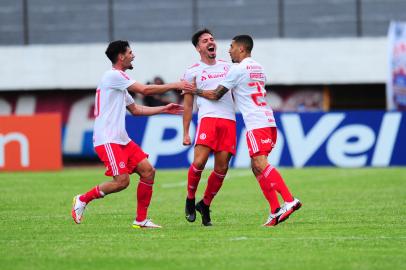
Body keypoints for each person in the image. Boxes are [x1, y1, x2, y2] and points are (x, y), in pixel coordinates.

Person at [71, 40, 192, 228]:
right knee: (121, 181)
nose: (133, 55)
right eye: (130, 52)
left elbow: (136, 110)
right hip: (107, 139)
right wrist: (176, 84)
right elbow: (145, 89)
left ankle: (141, 220)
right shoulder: (113, 76)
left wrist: (164, 109)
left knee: (148, 171)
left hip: (122, 139)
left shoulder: (119, 83)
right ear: (121, 56)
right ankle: (82, 199)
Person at [183, 35, 301, 226]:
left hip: (255, 122)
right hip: (268, 120)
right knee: (255, 167)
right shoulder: (259, 67)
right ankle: (274, 211)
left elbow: (215, 94)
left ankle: (289, 200)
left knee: (259, 162)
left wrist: (192, 89)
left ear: (241, 49)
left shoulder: (235, 69)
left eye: (231, 47)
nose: (228, 50)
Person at [182, 29, 236, 226]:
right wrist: (186, 132)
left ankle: (204, 204)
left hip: (229, 120)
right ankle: (190, 198)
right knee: (199, 163)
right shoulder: (192, 71)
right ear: (198, 48)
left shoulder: (228, 67)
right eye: (205, 40)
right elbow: (188, 105)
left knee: (222, 168)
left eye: (212, 39)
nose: (210, 42)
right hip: (208, 120)